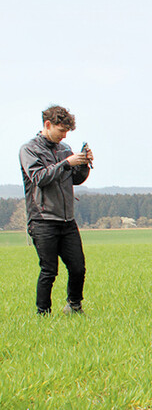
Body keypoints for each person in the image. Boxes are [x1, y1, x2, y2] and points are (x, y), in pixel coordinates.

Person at [20, 105, 93, 315]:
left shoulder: (65, 149)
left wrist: (83, 164)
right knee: (49, 271)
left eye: (67, 132)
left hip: (67, 220)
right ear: (47, 124)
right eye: (61, 131)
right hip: (42, 220)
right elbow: (39, 178)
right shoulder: (29, 150)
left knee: (78, 267)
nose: (64, 136)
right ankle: (43, 314)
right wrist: (66, 163)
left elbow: (76, 179)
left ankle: (74, 306)